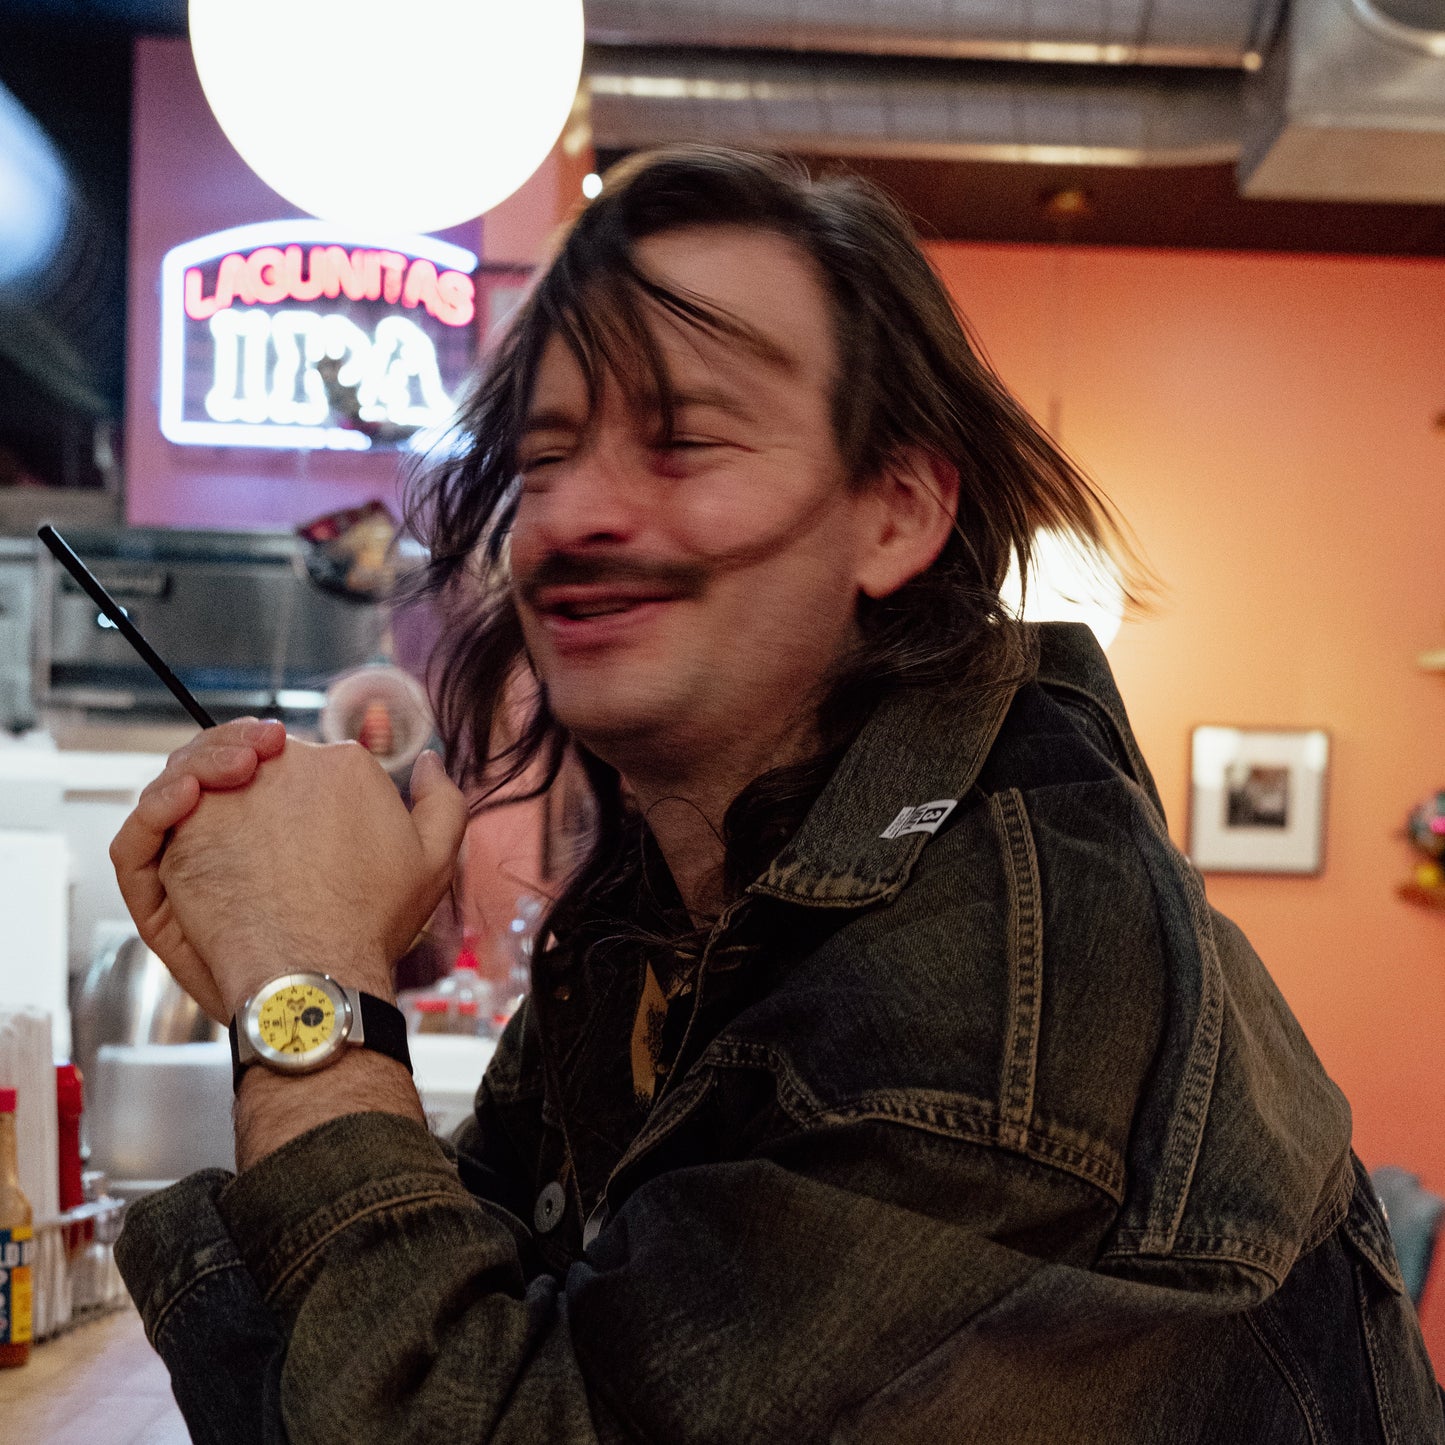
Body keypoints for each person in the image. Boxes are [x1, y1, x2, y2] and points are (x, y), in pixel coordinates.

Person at [113, 147, 1444, 1444]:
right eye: (545, 453)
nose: (574, 514)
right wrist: (272, 956)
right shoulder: (681, 914)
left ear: (898, 512)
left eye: (683, 437)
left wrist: (303, 993)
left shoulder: (981, 984)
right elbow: (407, 1353)